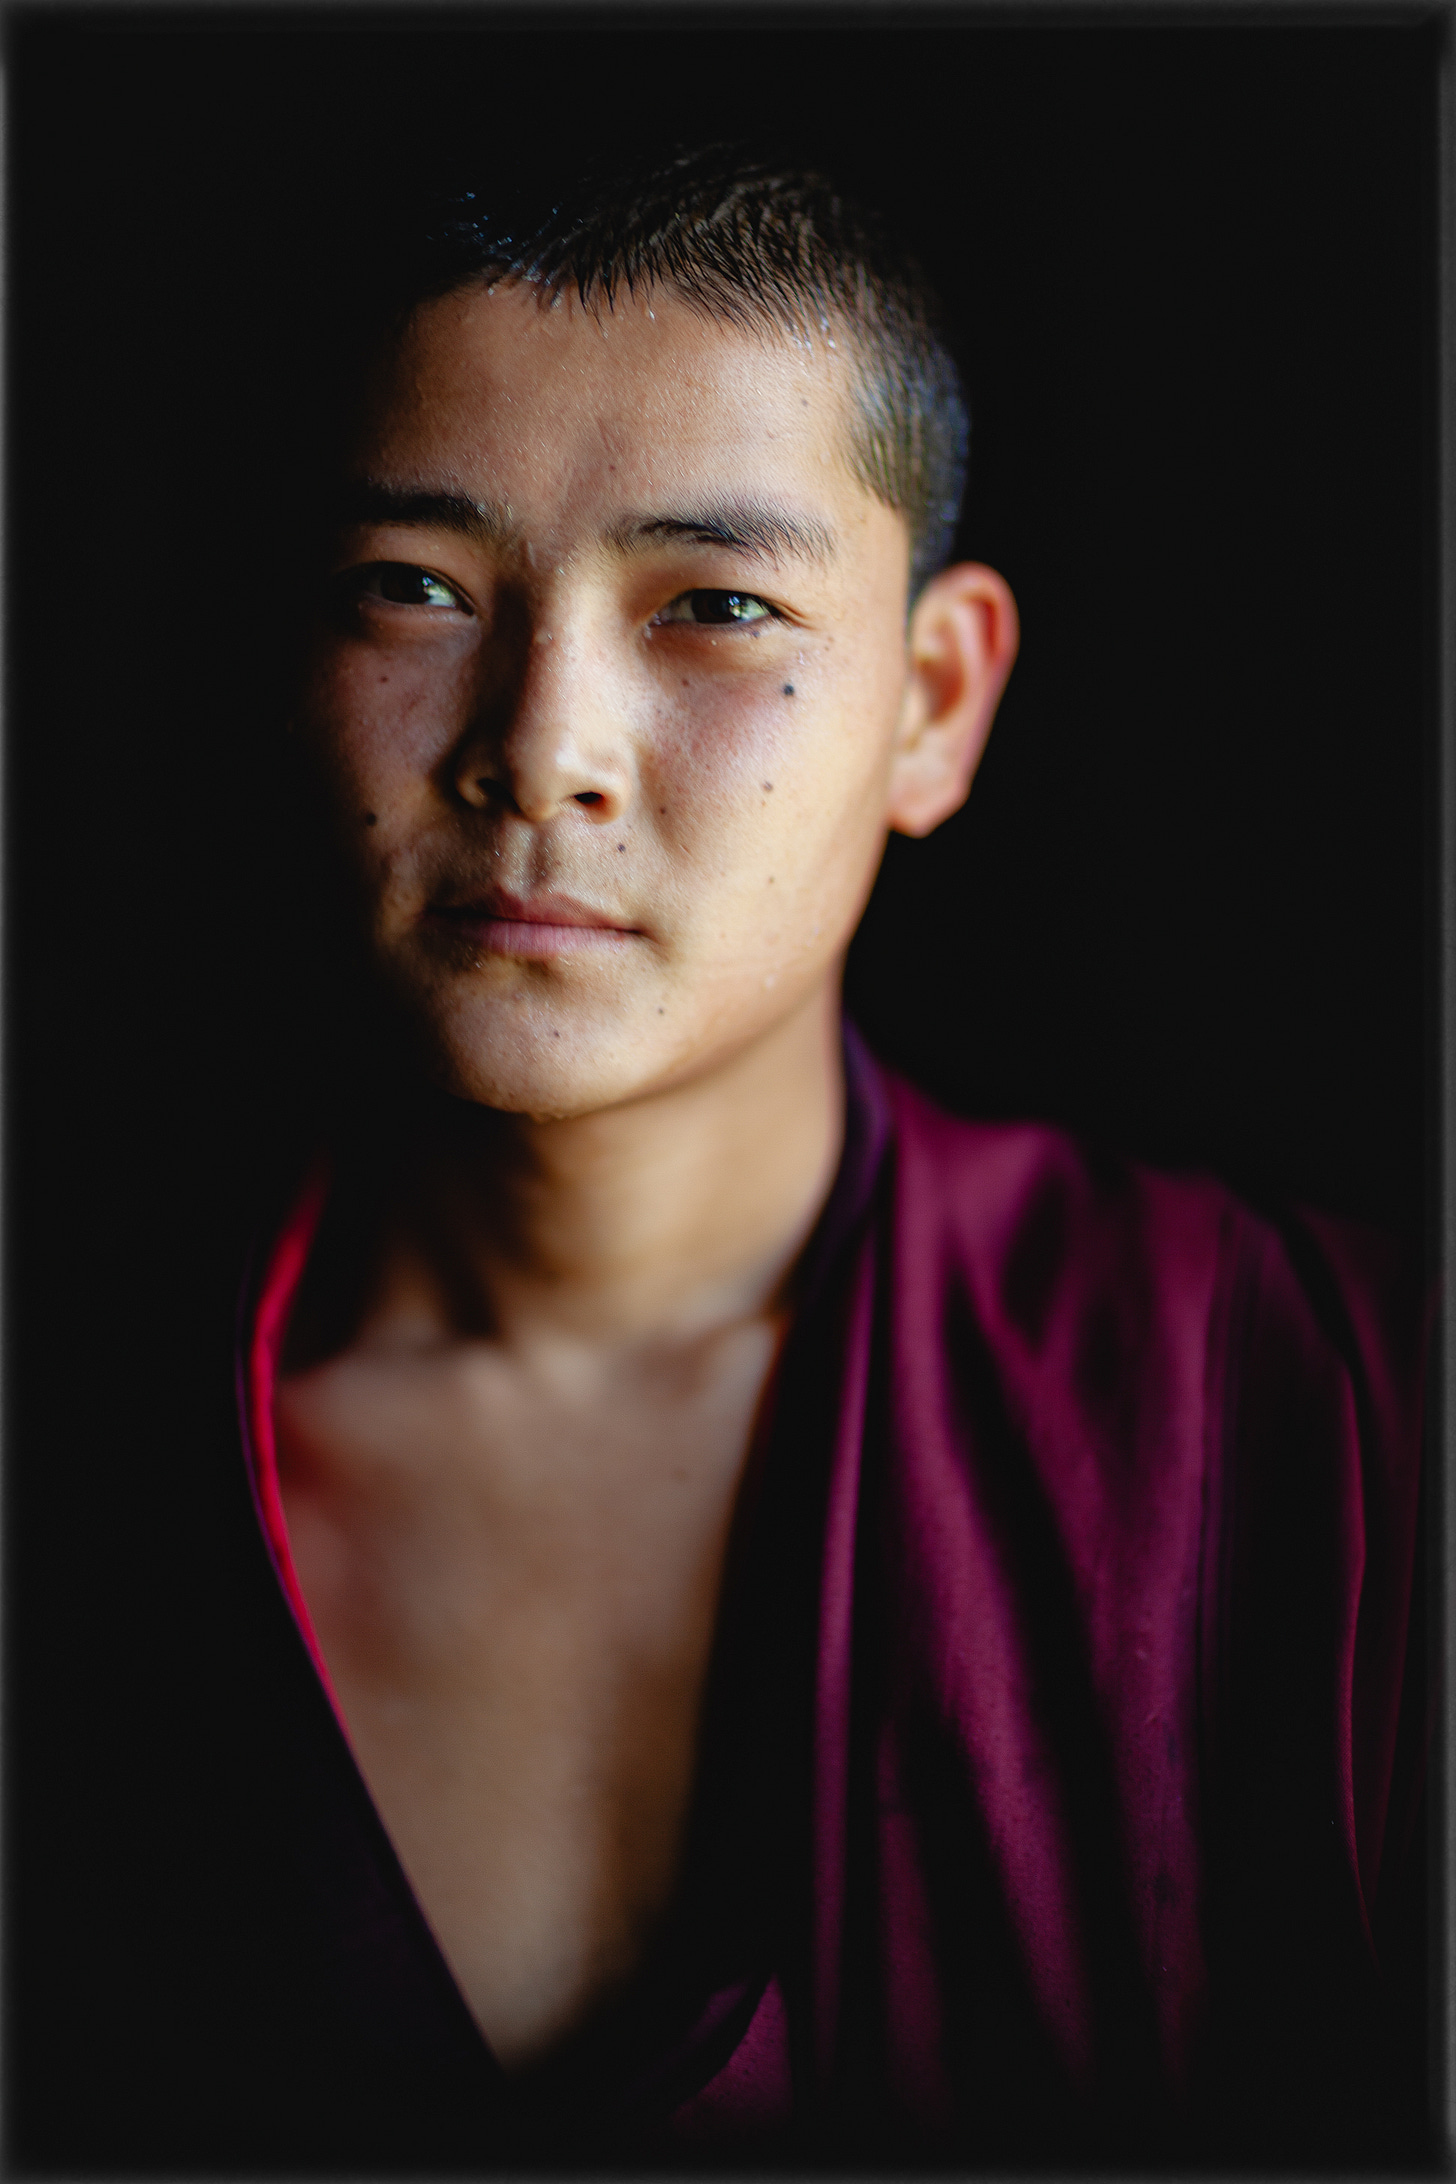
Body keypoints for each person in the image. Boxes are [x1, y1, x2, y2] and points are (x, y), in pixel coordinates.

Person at [214, 146, 1429, 2166]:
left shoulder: (1330, 1416)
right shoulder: (73, 1444)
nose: (543, 745)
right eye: (417, 587)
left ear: (931, 704)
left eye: (711, 608)